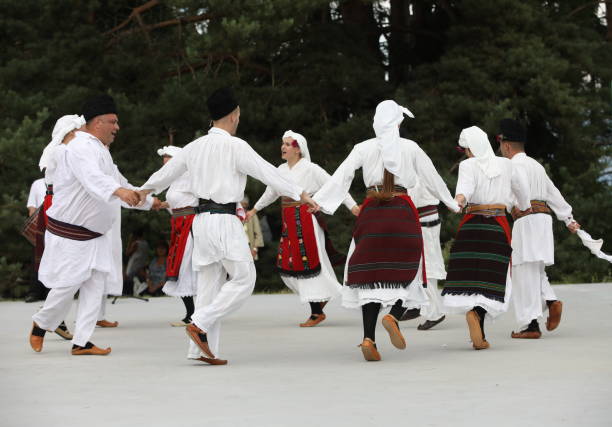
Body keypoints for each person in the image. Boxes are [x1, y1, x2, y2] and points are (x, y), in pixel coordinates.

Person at [137, 87, 317, 365]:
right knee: (245, 278)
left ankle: (199, 350)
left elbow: (165, 174)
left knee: (209, 285)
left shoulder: (194, 147)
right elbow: (267, 172)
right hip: (223, 221)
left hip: (201, 222)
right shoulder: (235, 146)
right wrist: (301, 193)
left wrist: (142, 191)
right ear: (234, 115)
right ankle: (200, 323)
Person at [313, 100, 460, 361]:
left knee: (371, 274)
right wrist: (452, 204)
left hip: (372, 211)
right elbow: (432, 178)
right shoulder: (411, 147)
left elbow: (342, 175)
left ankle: (368, 338)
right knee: (410, 270)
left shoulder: (363, 147)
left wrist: (321, 202)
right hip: (402, 210)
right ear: (399, 122)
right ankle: (394, 313)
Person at [29, 94, 141, 356]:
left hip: (96, 235)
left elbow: (118, 181)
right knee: (68, 284)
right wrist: (119, 191)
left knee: (96, 284)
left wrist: (146, 199)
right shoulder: (80, 146)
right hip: (71, 234)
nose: (117, 127)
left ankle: (82, 341)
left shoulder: (100, 150)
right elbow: (93, 179)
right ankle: (41, 323)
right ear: (97, 122)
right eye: (113, 122)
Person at [247, 130, 358, 327]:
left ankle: (316, 311)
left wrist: (353, 206)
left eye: (288, 144)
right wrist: (254, 209)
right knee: (287, 266)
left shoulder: (311, 169)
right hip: (289, 222)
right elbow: (271, 192)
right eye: (283, 143)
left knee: (307, 264)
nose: (283, 147)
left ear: (298, 150)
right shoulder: (280, 170)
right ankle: (321, 298)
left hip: (307, 221)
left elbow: (336, 185)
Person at [441, 125, 530, 350]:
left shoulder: (468, 165)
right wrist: (524, 207)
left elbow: (464, 192)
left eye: (466, 150)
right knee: (493, 276)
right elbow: (522, 193)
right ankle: (478, 318)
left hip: (472, 223)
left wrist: (458, 201)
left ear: (471, 148)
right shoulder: (507, 165)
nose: (467, 154)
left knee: (472, 276)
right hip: (498, 223)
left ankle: (477, 326)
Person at [498, 118, 579, 339]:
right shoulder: (537, 166)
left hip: (526, 219)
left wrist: (503, 207)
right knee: (535, 267)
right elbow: (553, 193)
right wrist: (568, 218)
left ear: (506, 145)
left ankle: (530, 325)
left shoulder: (511, 166)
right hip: (544, 220)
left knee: (522, 270)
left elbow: (509, 196)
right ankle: (550, 300)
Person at [156, 146, 198, 326]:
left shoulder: (191, 177)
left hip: (191, 226)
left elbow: (199, 198)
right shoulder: (173, 182)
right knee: (181, 268)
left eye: (169, 163)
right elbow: (176, 201)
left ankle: (195, 315)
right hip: (179, 226)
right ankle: (192, 313)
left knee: (187, 267)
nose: (166, 168)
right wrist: (160, 204)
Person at [402, 177, 450, 330]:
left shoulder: (416, 174)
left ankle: (435, 312)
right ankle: (416, 305)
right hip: (423, 220)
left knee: (426, 267)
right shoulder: (416, 171)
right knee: (415, 266)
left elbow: (412, 200)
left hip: (424, 221)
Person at [124, 228, 150, 295]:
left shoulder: (136, 243)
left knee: (130, 278)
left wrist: (130, 241)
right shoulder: (146, 243)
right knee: (138, 278)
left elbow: (127, 253)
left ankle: (131, 291)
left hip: (134, 263)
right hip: (142, 263)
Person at [241, 196, 264, 261]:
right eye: (241, 204)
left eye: (245, 204)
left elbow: (258, 233)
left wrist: (255, 249)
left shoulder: (252, 215)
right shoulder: (234, 215)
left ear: (247, 205)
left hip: (249, 247)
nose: (243, 206)